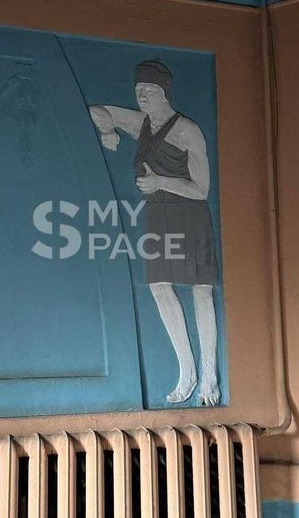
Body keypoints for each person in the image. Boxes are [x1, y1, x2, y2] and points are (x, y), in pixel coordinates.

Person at [89, 60, 220, 406]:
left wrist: (161, 181)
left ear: (164, 92)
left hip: (189, 214)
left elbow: (202, 189)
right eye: (138, 91)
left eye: (148, 90)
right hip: (157, 215)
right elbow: (97, 111)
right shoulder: (142, 123)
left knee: (201, 290)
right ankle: (187, 371)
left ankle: (209, 374)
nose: (142, 97)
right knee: (159, 286)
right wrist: (108, 131)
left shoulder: (187, 130)